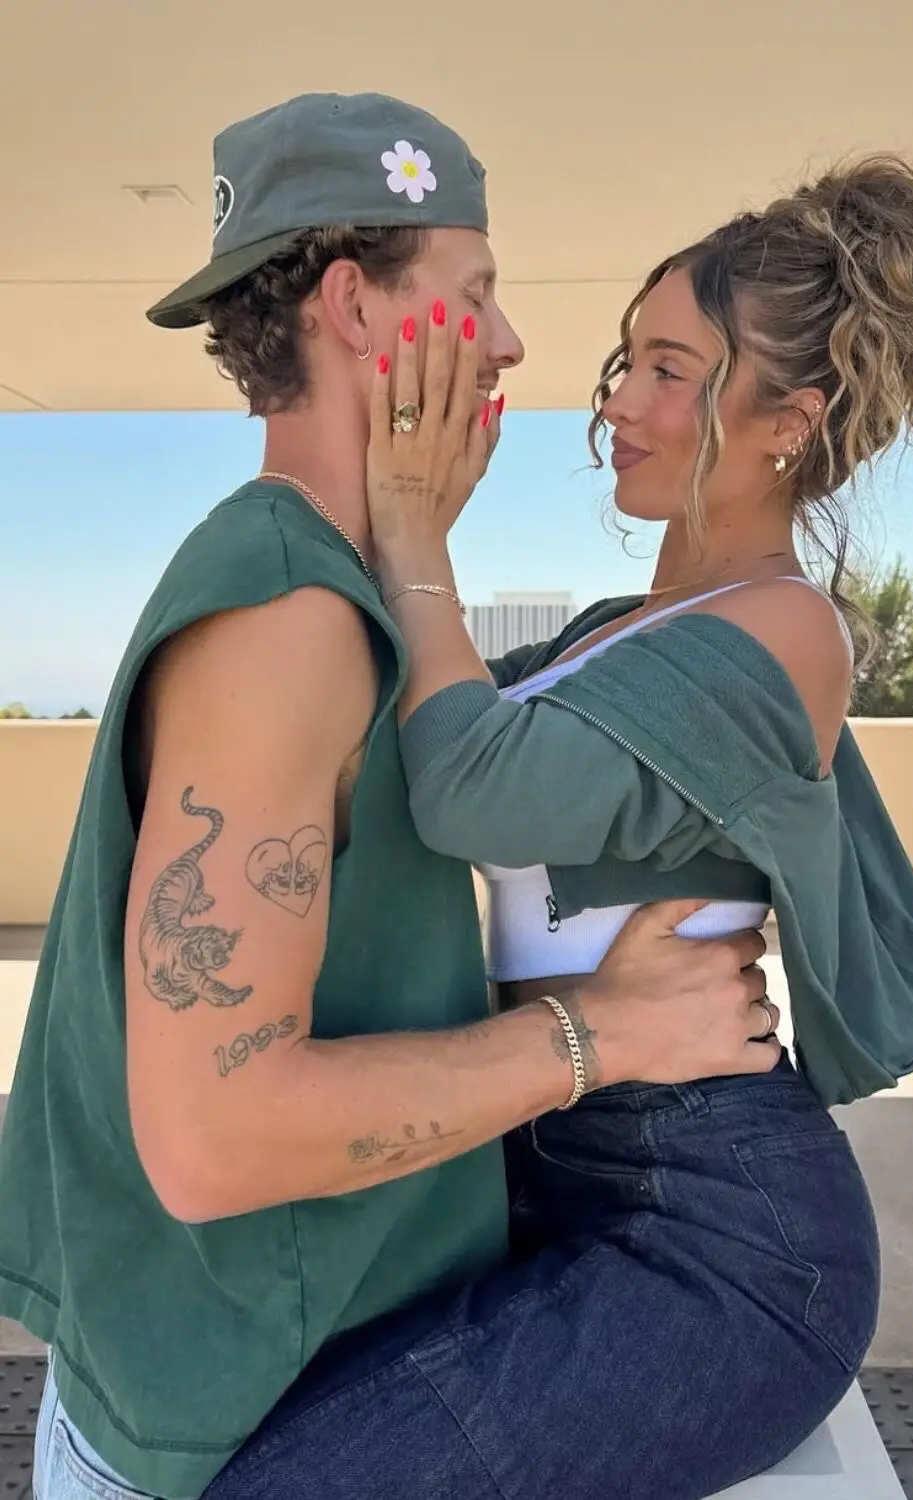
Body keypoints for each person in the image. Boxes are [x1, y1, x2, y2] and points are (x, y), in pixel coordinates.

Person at [2, 94, 782, 1500]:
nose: (510, 341)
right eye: (474, 293)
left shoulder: (325, 582)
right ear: (357, 306)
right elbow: (215, 1137)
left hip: (263, 1380)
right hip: (245, 1423)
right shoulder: (290, 615)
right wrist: (605, 1033)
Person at [200, 156, 913, 1500]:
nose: (617, 401)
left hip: (719, 1233)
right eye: (625, 362)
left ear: (788, 420)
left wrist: (414, 529)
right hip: (542, 1158)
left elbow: (472, 788)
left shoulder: (786, 633)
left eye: (672, 370)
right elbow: (403, 740)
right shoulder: (616, 635)